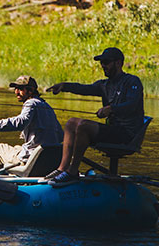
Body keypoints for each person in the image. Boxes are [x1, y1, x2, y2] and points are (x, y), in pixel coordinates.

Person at [44, 47, 144, 183]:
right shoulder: (104, 85)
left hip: (127, 134)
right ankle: (62, 169)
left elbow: (131, 105)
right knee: (71, 122)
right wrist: (64, 86)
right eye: (102, 62)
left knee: (84, 126)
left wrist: (110, 109)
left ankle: (72, 172)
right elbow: (84, 88)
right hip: (113, 131)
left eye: (106, 62)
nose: (103, 65)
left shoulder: (132, 82)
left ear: (118, 63)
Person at [0, 75, 63, 176]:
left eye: (20, 89)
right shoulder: (48, 107)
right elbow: (60, 135)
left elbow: (21, 122)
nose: (16, 92)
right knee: (18, 147)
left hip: (30, 160)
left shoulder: (31, 103)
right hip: (47, 161)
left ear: (30, 91)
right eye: (15, 88)